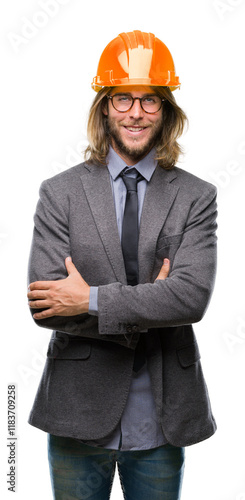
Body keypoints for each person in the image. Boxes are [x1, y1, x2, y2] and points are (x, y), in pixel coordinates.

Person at [27, 30, 217, 500]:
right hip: (76, 413)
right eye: (123, 99)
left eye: (150, 100)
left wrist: (87, 299)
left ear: (167, 111)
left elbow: (190, 298)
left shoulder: (196, 196)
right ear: (105, 107)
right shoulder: (60, 193)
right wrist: (151, 304)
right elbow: (45, 306)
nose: (136, 112)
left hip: (161, 417)